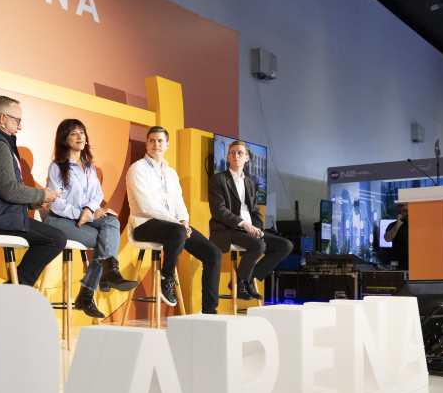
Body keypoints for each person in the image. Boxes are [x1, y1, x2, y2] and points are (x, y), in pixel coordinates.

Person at [0, 96, 66, 286]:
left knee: (54, 236)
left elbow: (0, 190)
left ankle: (13, 290)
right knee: (56, 239)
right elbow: (9, 190)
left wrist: (31, 203)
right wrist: (42, 194)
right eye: (17, 121)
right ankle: (12, 291)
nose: (20, 127)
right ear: (2, 119)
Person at [45, 119, 138, 318]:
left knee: (112, 221)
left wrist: (89, 209)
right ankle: (89, 291)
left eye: (82, 132)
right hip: (60, 221)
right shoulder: (57, 167)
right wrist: (83, 213)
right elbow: (57, 203)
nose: (80, 136)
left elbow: (96, 196)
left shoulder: (90, 168)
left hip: (84, 217)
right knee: (104, 241)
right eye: (73, 133)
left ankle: (109, 274)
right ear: (64, 139)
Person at [127, 126, 223, 314]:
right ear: (146, 144)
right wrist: (176, 222)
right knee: (177, 231)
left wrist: (184, 221)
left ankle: (209, 312)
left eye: (160, 141)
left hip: (173, 226)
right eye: (152, 140)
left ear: (167, 145)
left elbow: (178, 201)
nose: (156, 144)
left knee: (214, 254)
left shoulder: (171, 173)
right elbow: (146, 205)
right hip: (144, 224)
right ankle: (167, 278)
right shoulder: (137, 168)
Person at [208, 140, 292, 300]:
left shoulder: (249, 182)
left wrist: (259, 229)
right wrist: (244, 224)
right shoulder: (218, 180)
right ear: (228, 157)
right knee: (258, 245)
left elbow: (255, 211)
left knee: (285, 246)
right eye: (232, 153)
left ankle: (242, 280)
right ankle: (242, 283)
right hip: (227, 230)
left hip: (248, 230)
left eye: (240, 153)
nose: (236, 156)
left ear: (247, 158)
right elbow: (219, 210)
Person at [384, 203, 409, 270]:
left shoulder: (418, 225)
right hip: (398, 262)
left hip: (414, 261)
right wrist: (398, 224)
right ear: (400, 213)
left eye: (409, 210)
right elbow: (388, 238)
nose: (407, 213)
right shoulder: (393, 225)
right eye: (404, 211)